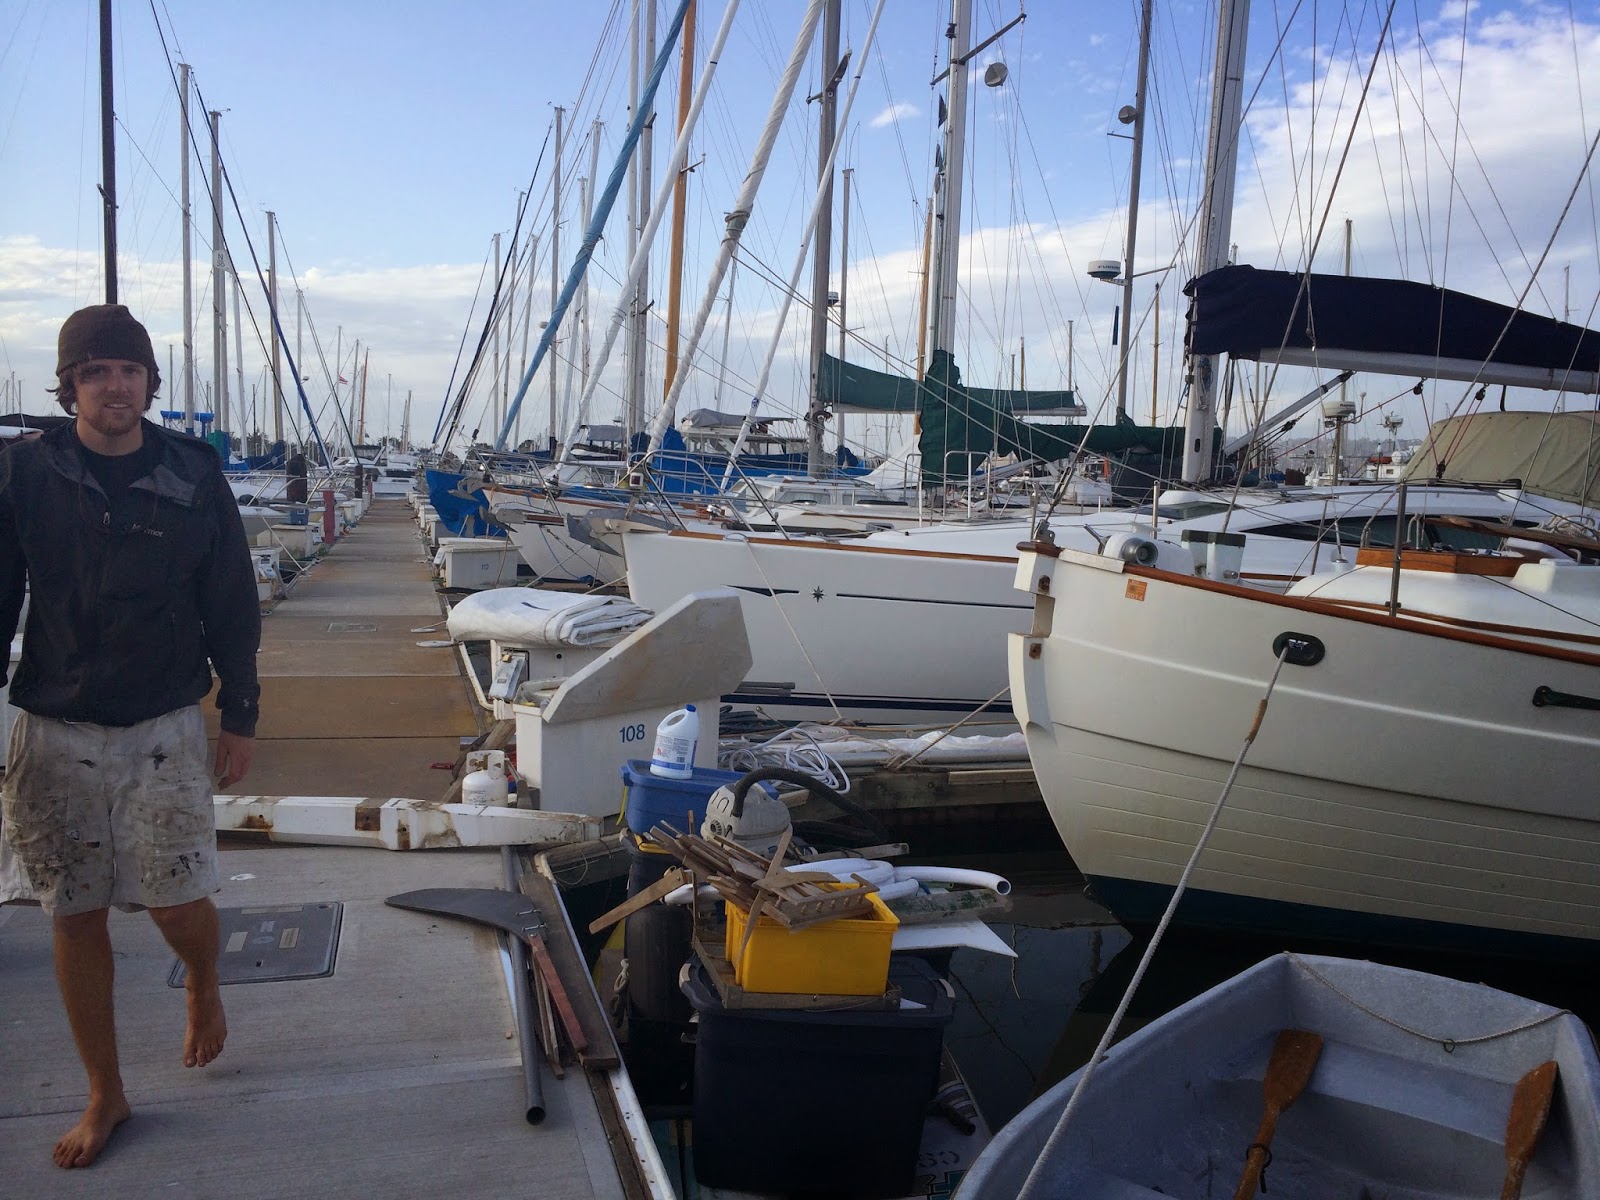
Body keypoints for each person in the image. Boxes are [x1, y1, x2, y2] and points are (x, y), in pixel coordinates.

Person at [0, 303, 261, 1169]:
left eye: (129, 371)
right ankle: (105, 1091)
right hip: (55, 726)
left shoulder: (193, 473)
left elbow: (231, 599)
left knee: (175, 902)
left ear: (150, 383)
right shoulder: (25, 474)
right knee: (73, 914)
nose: (114, 386)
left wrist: (242, 714)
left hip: (163, 727)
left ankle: (204, 982)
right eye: (96, 372)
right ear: (70, 385)